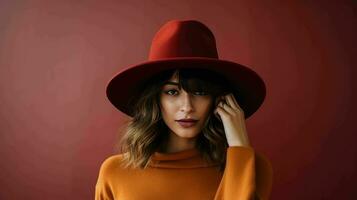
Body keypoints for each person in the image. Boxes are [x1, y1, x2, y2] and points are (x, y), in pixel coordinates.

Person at [95, 19, 273, 200]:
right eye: (172, 92)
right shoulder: (114, 172)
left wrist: (239, 148)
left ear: (219, 99)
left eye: (200, 91)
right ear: (155, 99)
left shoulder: (254, 167)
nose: (187, 107)